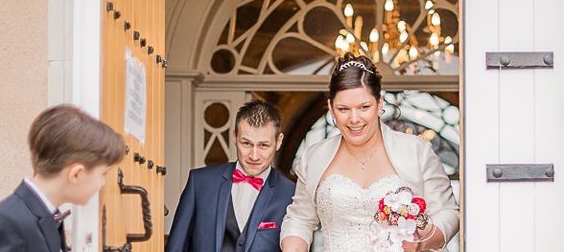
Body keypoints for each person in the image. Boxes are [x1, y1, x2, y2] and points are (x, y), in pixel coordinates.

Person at [280, 53, 459, 252]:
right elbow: (299, 219)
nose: (354, 119)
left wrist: (421, 242)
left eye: (364, 107)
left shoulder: (416, 150)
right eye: (343, 109)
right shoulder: (314, 157)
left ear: (379, 103)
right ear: (331, 108)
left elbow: (448, 212)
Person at [166, 100, 296, 252]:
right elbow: (176, 246)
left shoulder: (290, 193)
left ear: (278, 141)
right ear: (235, 137)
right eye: (246, 143)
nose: (254, 156)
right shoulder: (200, 183)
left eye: (263, 145)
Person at [0, 104, 126, 252]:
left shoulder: (46, 214)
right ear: (76, 174)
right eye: (103, 174)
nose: (103, 184)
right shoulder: (12, 224)